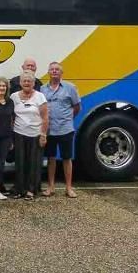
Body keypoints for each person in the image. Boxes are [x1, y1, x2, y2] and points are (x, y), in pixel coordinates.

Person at [41, 61, 81, 198]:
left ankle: (68, 188)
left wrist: (68, 119)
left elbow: (77, 107)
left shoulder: (70, 88)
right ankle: (51, 187)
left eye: (57, 69)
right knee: (51, 158)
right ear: (48, 72)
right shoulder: (42, 89)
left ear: (61, 73)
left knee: (67, 158)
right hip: (49, 130)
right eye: (51, 69)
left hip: (65, 129)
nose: (54, 71)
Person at [12, 72, 49, 199]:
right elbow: (11, 117)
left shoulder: (40, 97)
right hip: (19, 134)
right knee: (20, 163)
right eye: (24, 81)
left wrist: (43, 135)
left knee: (34, 163)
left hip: (35, 134)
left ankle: (31, 190)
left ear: (33, 83)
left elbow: (45, 118)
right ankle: (20, 189)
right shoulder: (14, 97)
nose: (26, 83)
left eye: (29, 81)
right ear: (20, 83)